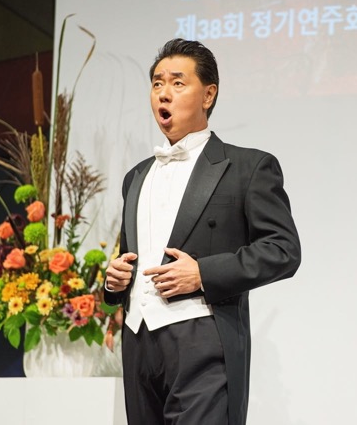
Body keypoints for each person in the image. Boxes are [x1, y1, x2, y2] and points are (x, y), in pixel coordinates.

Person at [104, 38, 301, 425]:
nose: (164, 93)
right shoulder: (136, 176)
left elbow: (283, 250)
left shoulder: (247, 167)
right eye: (157, 83)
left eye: (178, 83)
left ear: (208, 94)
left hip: (203, 339)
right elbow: (131, 257)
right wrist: (114, 281)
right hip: (138, 342)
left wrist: (202, 273)